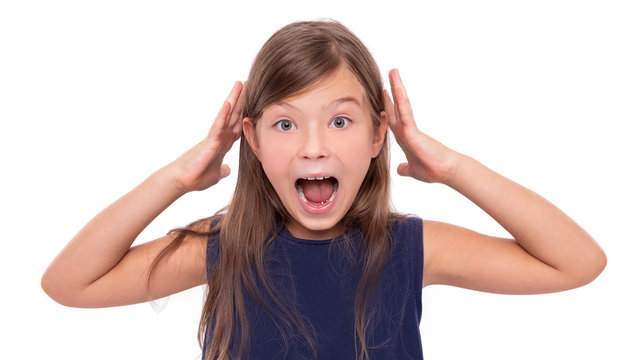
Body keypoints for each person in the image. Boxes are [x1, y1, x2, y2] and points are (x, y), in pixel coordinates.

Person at [41, 20, 607, 360]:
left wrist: (453, 166)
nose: (313, 147)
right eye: (286, 124)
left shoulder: (410, 248)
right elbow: (68, 283)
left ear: (377, 135)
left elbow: (577, 262)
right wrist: (176, 177)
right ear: (253, 141)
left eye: (340, 121)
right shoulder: (223, 246)